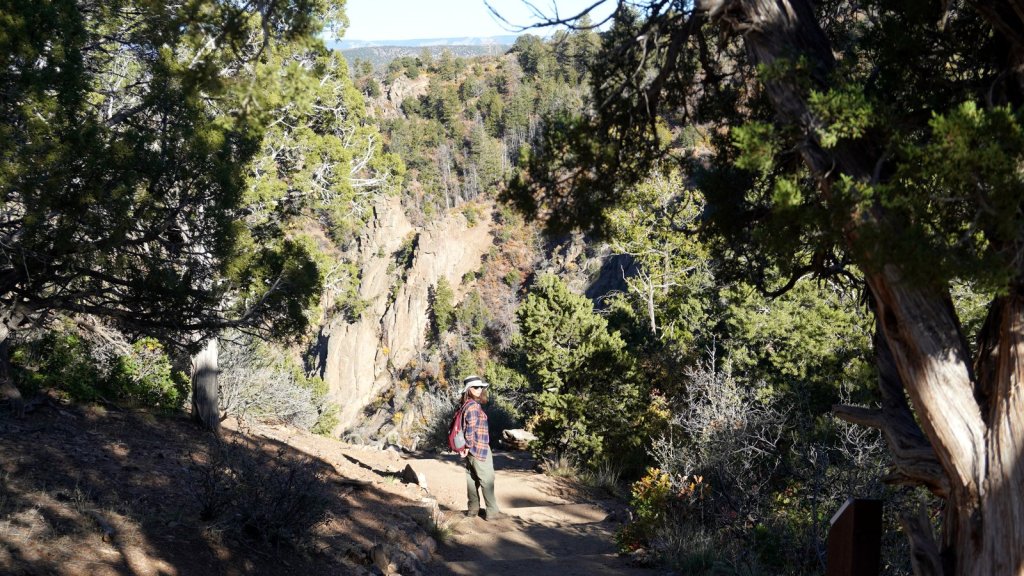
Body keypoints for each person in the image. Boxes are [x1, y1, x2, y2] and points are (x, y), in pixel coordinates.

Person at [458, 375, 502, 520]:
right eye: (475, 387)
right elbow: (470, 429)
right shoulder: (473, 407)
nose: (479, 389)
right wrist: (468, 445)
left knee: (472, 479)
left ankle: (473, 510)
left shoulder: (465, 405)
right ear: (468, 389)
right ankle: (492, 512)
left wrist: (466, 447)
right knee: (487, 479)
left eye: (481, 387)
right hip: (479, 448)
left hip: (470, 449)